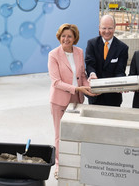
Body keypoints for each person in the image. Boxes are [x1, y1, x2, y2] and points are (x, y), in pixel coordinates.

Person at [48, 23, 95, 179]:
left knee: (76, 131)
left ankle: (76, 160)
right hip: (59, 100)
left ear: (75, 38)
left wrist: (89, 88)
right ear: (59, 36)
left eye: (69, 36)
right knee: (60, 134)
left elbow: (81, 75)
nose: (65, 39)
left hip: (77, 98)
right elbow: (56, 82)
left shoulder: (79, 52)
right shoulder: (53, 54)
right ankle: (59, 165)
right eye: (63, 35)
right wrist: (76, 89)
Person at [85, 15, 128, 107]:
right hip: (95, 95)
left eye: (110, 28)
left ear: (115, 28)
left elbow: (120, 71)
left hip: (113, 96)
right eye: (104, 28)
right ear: (99, 28)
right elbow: (89, 64)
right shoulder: (91, 44)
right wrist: (92, 74)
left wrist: (121, 82)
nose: (107, 31)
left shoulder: (122, 48)